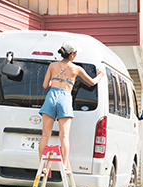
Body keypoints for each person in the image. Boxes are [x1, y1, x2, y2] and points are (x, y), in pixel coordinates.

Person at [38, 40, 105, 175]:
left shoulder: (52, 66)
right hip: (65, 98)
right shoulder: (76, 69)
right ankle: (64, 165)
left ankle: (43, 166)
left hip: (51, 97)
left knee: (45, 134)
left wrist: (54, 81)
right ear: (72, 55)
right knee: (64, 136)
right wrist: (100, 76)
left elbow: (45, 85)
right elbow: (91, 83)